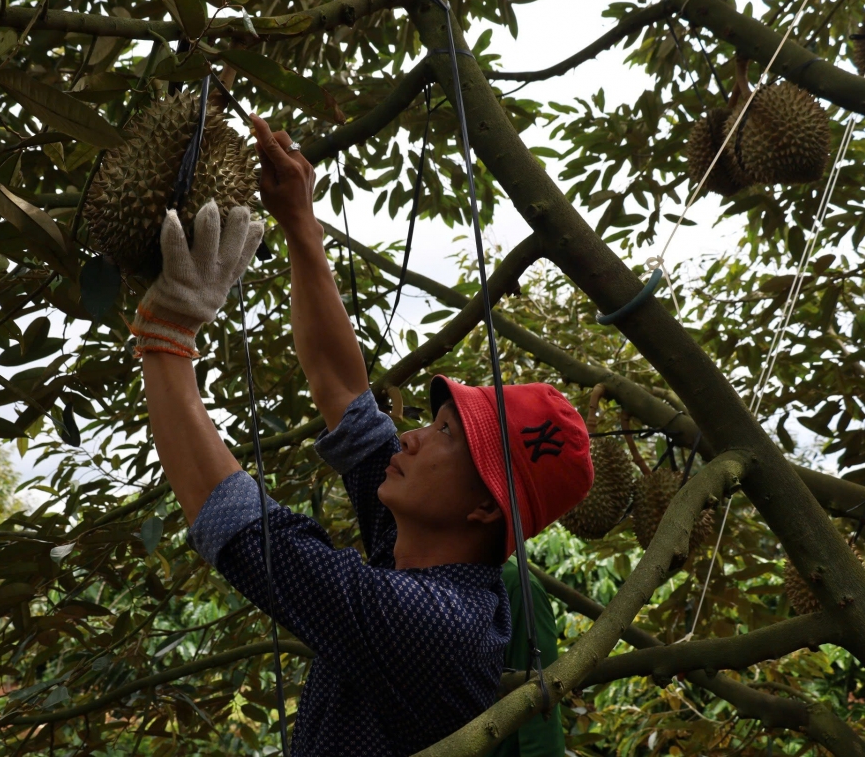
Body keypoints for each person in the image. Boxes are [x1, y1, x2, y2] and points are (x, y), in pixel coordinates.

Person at [137, 112, 594, 756]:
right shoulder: (422, 551)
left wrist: (167, 338)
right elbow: (342, 392)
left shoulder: (437, 623)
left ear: (485, 505)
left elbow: (239, 524)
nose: (409, 438)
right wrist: (300, 218)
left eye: (446, 437)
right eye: (431, 422)